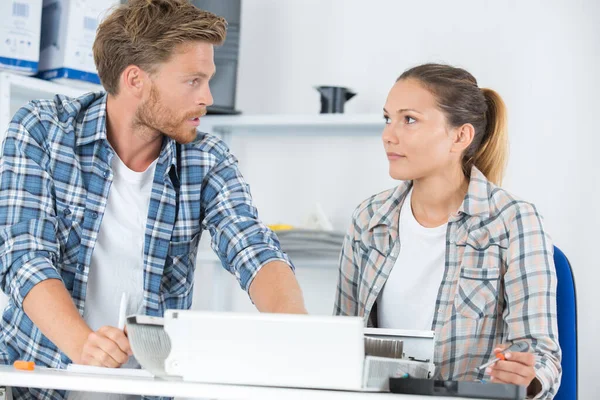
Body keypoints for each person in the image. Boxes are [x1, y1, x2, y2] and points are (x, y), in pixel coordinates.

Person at [0, 1, 306, 398]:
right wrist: (83, 346)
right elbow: (24, 255)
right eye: (193, 81)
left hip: (147, 389)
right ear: (135, 79)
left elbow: (253, 248)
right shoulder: (42, 129)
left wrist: (300, 336)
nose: (208, 97)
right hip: (37, 384)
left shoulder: (206, 159)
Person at [334, 63, 561, 398]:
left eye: (408, 119)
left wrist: (526, 378)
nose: (388, 134)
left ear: (460, 136)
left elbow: (542, 356)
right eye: (387, 118)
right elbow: (342, 342)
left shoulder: (514, 221)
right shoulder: (368, 219)